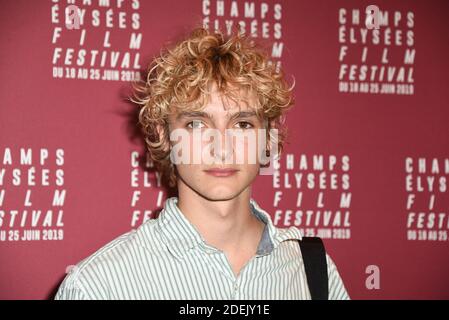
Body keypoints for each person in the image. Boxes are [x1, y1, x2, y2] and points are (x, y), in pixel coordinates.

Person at [55, 26, 349, 300]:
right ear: (165, 136)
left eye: (243, 124)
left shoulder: (312, 271)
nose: (222, 148)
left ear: (268, 139)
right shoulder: (98, 287)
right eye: (196, 124)